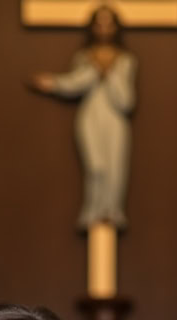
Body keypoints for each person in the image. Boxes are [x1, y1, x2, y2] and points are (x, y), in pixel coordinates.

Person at [30, 6, 137, 230]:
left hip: (114, 119)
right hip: (91, 117)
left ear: (116, 27)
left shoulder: (125, 60)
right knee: (96, 166)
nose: (104, 28)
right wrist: (54, 83)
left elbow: (126, 100)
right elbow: (75, 83)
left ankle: (112, 210)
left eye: (109, 23)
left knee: (115, 166)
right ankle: (94, 210)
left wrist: (110, 72)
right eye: (99, 23)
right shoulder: (84, 57)